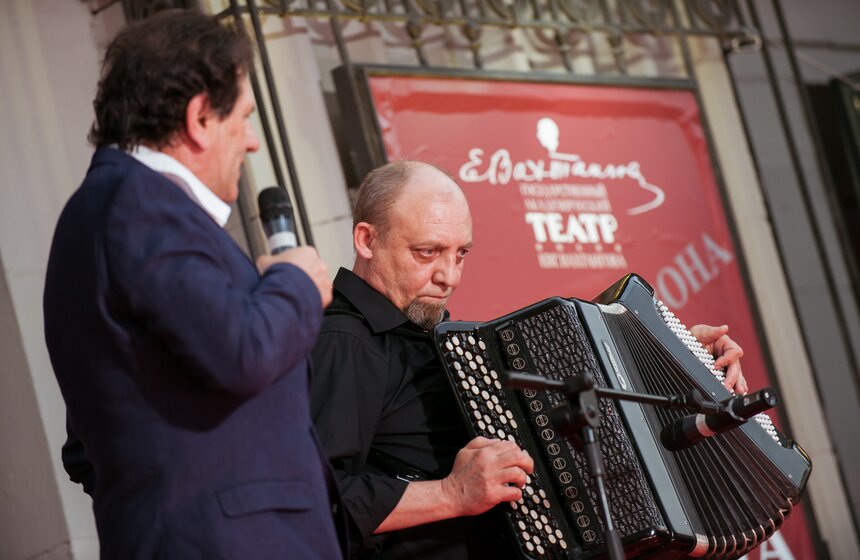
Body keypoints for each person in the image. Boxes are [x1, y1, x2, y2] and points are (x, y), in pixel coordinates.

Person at [310, 160, 747, 559]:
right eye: (427, 252)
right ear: (367, 240)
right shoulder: (345, 341)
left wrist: (679, 363)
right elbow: (315, 501)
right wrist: (450, 493)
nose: (449, 276)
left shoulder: (424, 334)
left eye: (460, 253)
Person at [43, 10, 341, 559]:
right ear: (200, 118)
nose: (252, 143)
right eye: (244, 118)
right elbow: (241, 350)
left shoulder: (120, 208)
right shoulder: (138, 205)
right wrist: (293, 282)